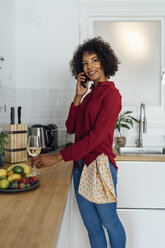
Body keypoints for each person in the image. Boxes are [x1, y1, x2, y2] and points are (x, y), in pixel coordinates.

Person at [32, 36, 126, 248]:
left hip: (100, 167)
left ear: (104, 61)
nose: (90, 66)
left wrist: (57, 157)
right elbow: (72, 127)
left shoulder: (112, 95)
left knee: (110, 224)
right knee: (92, 228)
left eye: (94, 60)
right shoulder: (89, 95)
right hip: (80, 166)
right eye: (85, 62)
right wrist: (77, 97)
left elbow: (96, 138)